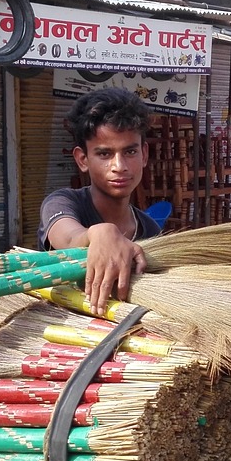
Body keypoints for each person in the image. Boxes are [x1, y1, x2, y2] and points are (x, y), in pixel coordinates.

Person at [40, 87, 162, 316]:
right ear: (83, 159)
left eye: (130, 152)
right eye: (105, 154)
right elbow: (67, 237)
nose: (119, 166)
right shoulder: (63, 203)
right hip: (64, 338)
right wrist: (98, 234)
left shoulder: (151, 231)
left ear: (144, 154)